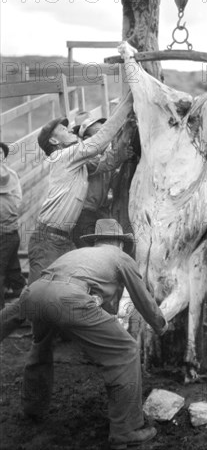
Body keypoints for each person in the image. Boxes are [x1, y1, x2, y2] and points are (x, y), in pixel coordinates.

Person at [20, 219, 168, 449]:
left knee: (40, 346)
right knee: (126, 351)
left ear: (97, 241)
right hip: (68, 298)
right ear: (120, 243)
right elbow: (142, 297)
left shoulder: (80, 255)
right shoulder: (120, 257)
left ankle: (32, 408)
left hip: (35, 294)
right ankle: (125, 430)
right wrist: (160, 325)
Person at [0, 92, 132, 339]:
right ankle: (41, 347)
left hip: (62, 241)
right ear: (55, 142)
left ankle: (97, 339)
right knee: (32, 302)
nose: (68, 129)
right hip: (47, 239)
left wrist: (125, 145)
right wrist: (129, 100)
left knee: (82, 285)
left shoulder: (78, 161)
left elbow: (106, 162)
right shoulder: (65, 156)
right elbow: (101, 141)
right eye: (62, 129)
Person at [72, 117, 135, 250]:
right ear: (87, 139)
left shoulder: (106, 158)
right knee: (89, 253)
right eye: (100, 133)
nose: (105, 137)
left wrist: (126, 162)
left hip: (100, 212)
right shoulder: (82, 157)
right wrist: (120, 151)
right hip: (83, 213)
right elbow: (106, 163)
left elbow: (115, 182)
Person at [0, 142, 26, 309]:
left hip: (7, 233)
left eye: (1, 153)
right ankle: (23, 299)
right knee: (13, 270)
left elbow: (16, 203)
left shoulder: (10, 177)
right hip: (9, 234)